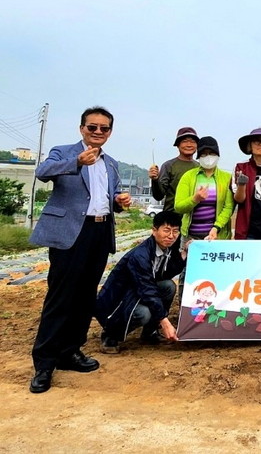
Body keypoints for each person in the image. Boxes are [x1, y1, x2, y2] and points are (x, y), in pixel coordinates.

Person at [28, 107, 131, 394]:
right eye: (92, 127)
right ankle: (45, 363)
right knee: (61, 297)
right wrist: (76, 161)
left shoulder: (111, 164)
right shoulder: (63, 152)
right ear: (81, 128)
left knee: (86, 296)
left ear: (110, 132)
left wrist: (119, 201)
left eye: (104, 128)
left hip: (99, 232)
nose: (98, 132)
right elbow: (42, 172)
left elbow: (108, 197)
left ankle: (70, 351)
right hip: (70, 233)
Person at [96, 211, 185, 353]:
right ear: (154, 231)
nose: (171, 236)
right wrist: (164, 321)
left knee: (168, 286)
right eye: (166, 230)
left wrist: (184, 254)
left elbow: (166, 273)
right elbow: (147, 289)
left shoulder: (166, 249)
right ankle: (110, 334)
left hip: (135, 293)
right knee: (143, 313)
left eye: (175, 231)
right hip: (117, 302)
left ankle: (150, 333)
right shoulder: (140, 255)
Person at [174, 136, 233, 241]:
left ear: (218, 155)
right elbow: (178, 207)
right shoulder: (188, 176)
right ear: (199, 156)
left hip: (217, 237)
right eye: (204, 154)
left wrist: (216, 227)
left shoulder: (227, 178)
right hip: (190, 237)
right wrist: (195, 199)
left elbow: (228, 208)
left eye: (212, 153)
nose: (208, 157)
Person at [149, 127, 199, 212]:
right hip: (172, 216)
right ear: (178, 145)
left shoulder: (200, 167)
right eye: (184, 141)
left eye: (193, 142)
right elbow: (159, 196)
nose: (189, 145)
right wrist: (155, 180)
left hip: (195, 216)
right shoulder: (168, 166)